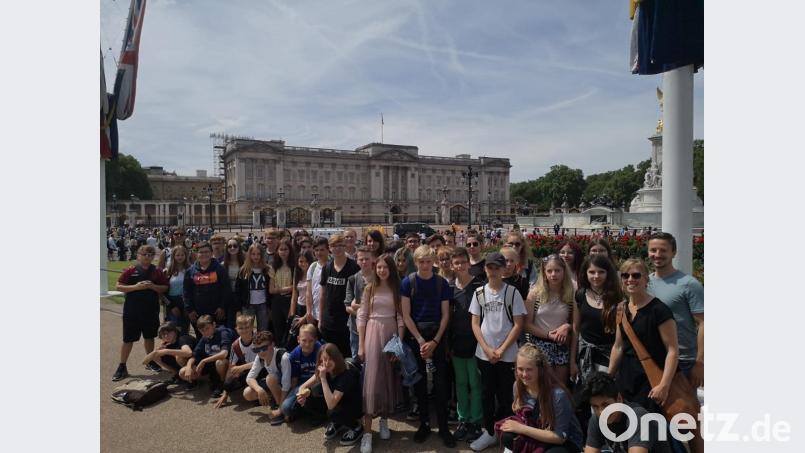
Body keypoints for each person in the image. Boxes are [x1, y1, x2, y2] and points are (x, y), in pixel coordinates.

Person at [468, 252, 527, 451]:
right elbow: (475, 323)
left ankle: (507, 436)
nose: (493, 271)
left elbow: (518, 324)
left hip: (508, 354)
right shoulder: (479, 293)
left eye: (496, 267)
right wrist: (486, 348)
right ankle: (490, 433)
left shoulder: (512, 293)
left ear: (504, 269)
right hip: (484, 354)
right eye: (490, 267)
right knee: (486, 394)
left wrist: (501, 350)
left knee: (506, 396)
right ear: (485, 269)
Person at [400, 245, 455, 447]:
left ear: (433, 262)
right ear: (416, 262)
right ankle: (423, 423)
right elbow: (406, 315)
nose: (425, 265)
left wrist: (435, 341)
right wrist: (422, 340)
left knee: (441, 384)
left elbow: (446, 315)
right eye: (421, 262)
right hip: (417, 337)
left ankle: (443, 427)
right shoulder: (408, 282)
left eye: (428, 262)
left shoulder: (441, 283)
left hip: (436, 337)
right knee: (420, 384)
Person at [608, 259, 679, 415]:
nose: (630, 280)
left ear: (646, 279)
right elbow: (618, 346)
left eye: (636, 275)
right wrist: (608, 377)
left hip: (651, 381)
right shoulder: (621, 308)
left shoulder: (659, 310)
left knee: (650, 430)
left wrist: (664, 385)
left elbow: (672, 350)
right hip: (626, 380)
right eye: (625, 275)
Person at [356, 254, 406, 452]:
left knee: (388, 379)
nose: (382, 271)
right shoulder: (370, 288)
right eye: (379, 267)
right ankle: (367, 432)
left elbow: (401, 318)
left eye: (385, 267)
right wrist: (360, 344)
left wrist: (399, 343)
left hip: (391, 335)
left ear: (391, 269)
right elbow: (362, 316)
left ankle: (384, 420)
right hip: (373, 333)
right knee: (371, 381)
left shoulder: (397, 289)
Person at [497, 344, 584, 453]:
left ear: (540, 369)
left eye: (529, 370)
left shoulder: (558, 395)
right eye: (520, 369)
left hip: (565, 440)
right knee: (507, 436)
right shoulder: (517, 386)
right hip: (537, 431)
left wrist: (521, 428)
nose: (524, 374)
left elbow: (560, 437)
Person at [646, 232, 704, 388]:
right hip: (652, 358)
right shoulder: (645, 282)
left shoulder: (688, 284)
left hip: (683, 361)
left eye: (663, 250)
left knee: (682, 411)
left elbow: (704, 323)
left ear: (673, 252)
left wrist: (699, 362)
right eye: (653, 250)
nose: (657, 254)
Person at [113, 245, 170, 381]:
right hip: (132, 310)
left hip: (150, 310)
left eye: (150, 254)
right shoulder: (131, 270)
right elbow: (118, 285)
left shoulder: (157, 271)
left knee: (149, 337)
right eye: (144, 254)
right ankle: (122, 365)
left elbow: (164, 288)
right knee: (128, 339)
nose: (147, 257)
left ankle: (150, 361)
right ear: (138, 255)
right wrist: (136, 287)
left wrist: (152, 286)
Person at [581, 372, 671, 453]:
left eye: (605, 405)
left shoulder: (638, 417)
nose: (601, 412)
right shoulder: (597, 419)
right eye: (595, 406)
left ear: (619, 398)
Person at [448, 247, 485, 442]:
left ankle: (476, 420)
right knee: (461, 383)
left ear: (468, 263)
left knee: (475, 383)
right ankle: (463, 419)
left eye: (463, 262)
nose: (460, 265)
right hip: (457, 343)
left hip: (476, 343)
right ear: (452, 266)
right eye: (457, 263)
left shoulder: (479, 286)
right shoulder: (449, 287)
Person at [296, 343, 364, 446]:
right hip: (338, 402)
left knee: (332, 412)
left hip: (354, 406)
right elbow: (303, 387)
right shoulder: (325, 369)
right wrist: (303, 395)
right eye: (322, 360)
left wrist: (323, 378)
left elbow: (331, 405)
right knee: (311, 396)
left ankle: (356, 426)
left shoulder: (346, 374)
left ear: (336, 358)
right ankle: (338, 422)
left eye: (329, 359)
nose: (325, 363)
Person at [524, 254, 575, 384]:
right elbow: (527, 325)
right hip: (539, 344)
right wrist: (548, 335)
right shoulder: (535, 293)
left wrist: (567, 326)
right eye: (549, 271)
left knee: (559, 387)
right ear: (544, 272)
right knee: (542, 387)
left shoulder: (570, 294)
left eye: (557, 270)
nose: (553, 274)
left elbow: (575, 322)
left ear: (564, 271)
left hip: (561, 345)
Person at [570, 255, 621, 383]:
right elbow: (576, 328)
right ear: (585, 273)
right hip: (585, 356)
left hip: (608, 358)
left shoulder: (618, 297)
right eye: (592, 272)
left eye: (601, 272)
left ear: (608, 273)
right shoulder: (580, 294)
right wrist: (572, 361)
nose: (596, 276)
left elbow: (619, 340)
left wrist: (611, 371)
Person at [318, 233, 360, 358]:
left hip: (346, 321)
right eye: (334, 245)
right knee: (329, 355)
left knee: (346, 356)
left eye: (340, 245)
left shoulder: (354, 267)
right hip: (329, 320)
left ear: (345, 246)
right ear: (330, 248)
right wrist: (320, 318)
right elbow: (323, 294)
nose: (337, 248)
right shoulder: (327, 267)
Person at [243, 331, 292, 426]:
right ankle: (273, 399)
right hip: (275, 384)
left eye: (264, 348)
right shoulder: (260, 357)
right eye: (256, 350)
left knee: (270, 378)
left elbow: (287, 385)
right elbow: (249, 378)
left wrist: (280, 409)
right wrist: (259, 390)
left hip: (288, 387)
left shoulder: (283, 357)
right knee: (247, 393)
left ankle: (280, 408)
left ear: (272, 344)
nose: (261, 352)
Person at [179, 315, 235, 397]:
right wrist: (188, 367)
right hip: (211, 365)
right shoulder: (204, 337)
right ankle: (204, 380)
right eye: (202, 330)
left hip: (228, 365)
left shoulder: (223, 333)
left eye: (207, 328)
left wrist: (204, 361)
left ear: (214, 325)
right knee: (183, 372)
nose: (205, 332)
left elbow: (224, 354)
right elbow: (195, 355)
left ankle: (223, 384)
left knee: (220, 362)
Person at [183, 241, 231, 336]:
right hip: (197, 313)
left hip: (216, 312)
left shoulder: (220, 269)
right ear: (196, 253)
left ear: (211, 253)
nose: (204, 254)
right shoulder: (190, 271)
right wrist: (190, 309)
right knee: (201, 339)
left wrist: (222, 307)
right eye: (201, 252)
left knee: (217, 338)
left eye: (206, 252)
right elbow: (186, 292)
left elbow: (226, 289)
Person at [281, 324, 323, 422]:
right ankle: (302, 409)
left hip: (318, 381)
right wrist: (291, 396)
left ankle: (319, 413)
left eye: (311, 341)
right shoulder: (294, 355)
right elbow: (294, 379)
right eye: (304, 340)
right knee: (286, 408)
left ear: (316, 339)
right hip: (301, 383)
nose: (307, 344)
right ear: (298, 339)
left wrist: (304, 388)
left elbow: (320, 375)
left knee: (316, 390)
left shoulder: (321, 350)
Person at [214, 314, 257, 409]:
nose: (244, 330)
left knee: (249, 392)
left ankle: (267, 394)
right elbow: (231, 366)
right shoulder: (235, 345)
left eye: (247, 327)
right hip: (249, 371)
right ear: (236, 329)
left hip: (263, 371)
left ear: (252, 327)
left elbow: (263, 362)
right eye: (241, 328)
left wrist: (241, 368)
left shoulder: (259, 340)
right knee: (228, 383)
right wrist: (225, 392)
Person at [345, 246, 376, 359]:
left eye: (367, 259)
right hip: (355, 329)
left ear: (372, 259)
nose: (364, 262)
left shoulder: (379, 278)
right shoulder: (352, 279)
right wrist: (362, 311)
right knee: (357, 360)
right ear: (357, 260)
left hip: (375, 327)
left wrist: (357, 307)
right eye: (361, 259)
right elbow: (348, 306)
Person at [236, 244, 271, 332]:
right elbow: (238, 291)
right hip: (248, 305)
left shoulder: (266, 269)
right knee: (247, 330)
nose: (256, 256)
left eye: (258, 254)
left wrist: (270, 306)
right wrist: (238, 309)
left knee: (263, 330)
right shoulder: (243, 270)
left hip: (263, 304)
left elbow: (269, 289)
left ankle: (261, 345)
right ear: (249, 255)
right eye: (253, 254)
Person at [269, 238, 296, 346]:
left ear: (290, 251)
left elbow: (296, 287)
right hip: (277, 301)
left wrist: (280, 289)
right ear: (277, 251)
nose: (283, 252)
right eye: (281, 249)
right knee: (278, 328)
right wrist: (289, 287)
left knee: (290, 327)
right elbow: (271, 290)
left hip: (290, 299)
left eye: (286, 249)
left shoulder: (294, 266)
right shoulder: (274, 267)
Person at [163, 244, 190, 334]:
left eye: (182, 255)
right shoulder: (168, 271)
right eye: (177, 255)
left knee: (184, 330)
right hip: (172, 302)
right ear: (173, 256)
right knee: (172, 330)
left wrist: (188, 306)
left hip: (186, 302)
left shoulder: (190, 270)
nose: (180, 257)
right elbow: (163, 292)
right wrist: (171, 306)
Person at [306, 237, 330, 326]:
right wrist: (309, 311)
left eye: (322, 250)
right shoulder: (312, 267)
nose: (319, 253)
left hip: (327, 313)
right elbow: (309, 292)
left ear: (328, 250)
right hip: (314, 313)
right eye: (316, 250)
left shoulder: (332, 266)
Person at [223, 237, 245, 328]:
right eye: (229, 246)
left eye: (235, 246)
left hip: (242, 297)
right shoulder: (223, 264)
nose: (232, 248)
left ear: (239, 248)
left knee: (243, 323)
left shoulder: (244, 263)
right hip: (229, 297)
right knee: (230, 323)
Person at [290, 250, 314, 330]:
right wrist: (292, 314)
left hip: (310, 309)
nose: (303, 264)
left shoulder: (313, 274)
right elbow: (294, 294)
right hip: (299, 307)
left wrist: (305, 317)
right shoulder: (297, 273)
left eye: (306, 261)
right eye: (301, 261)